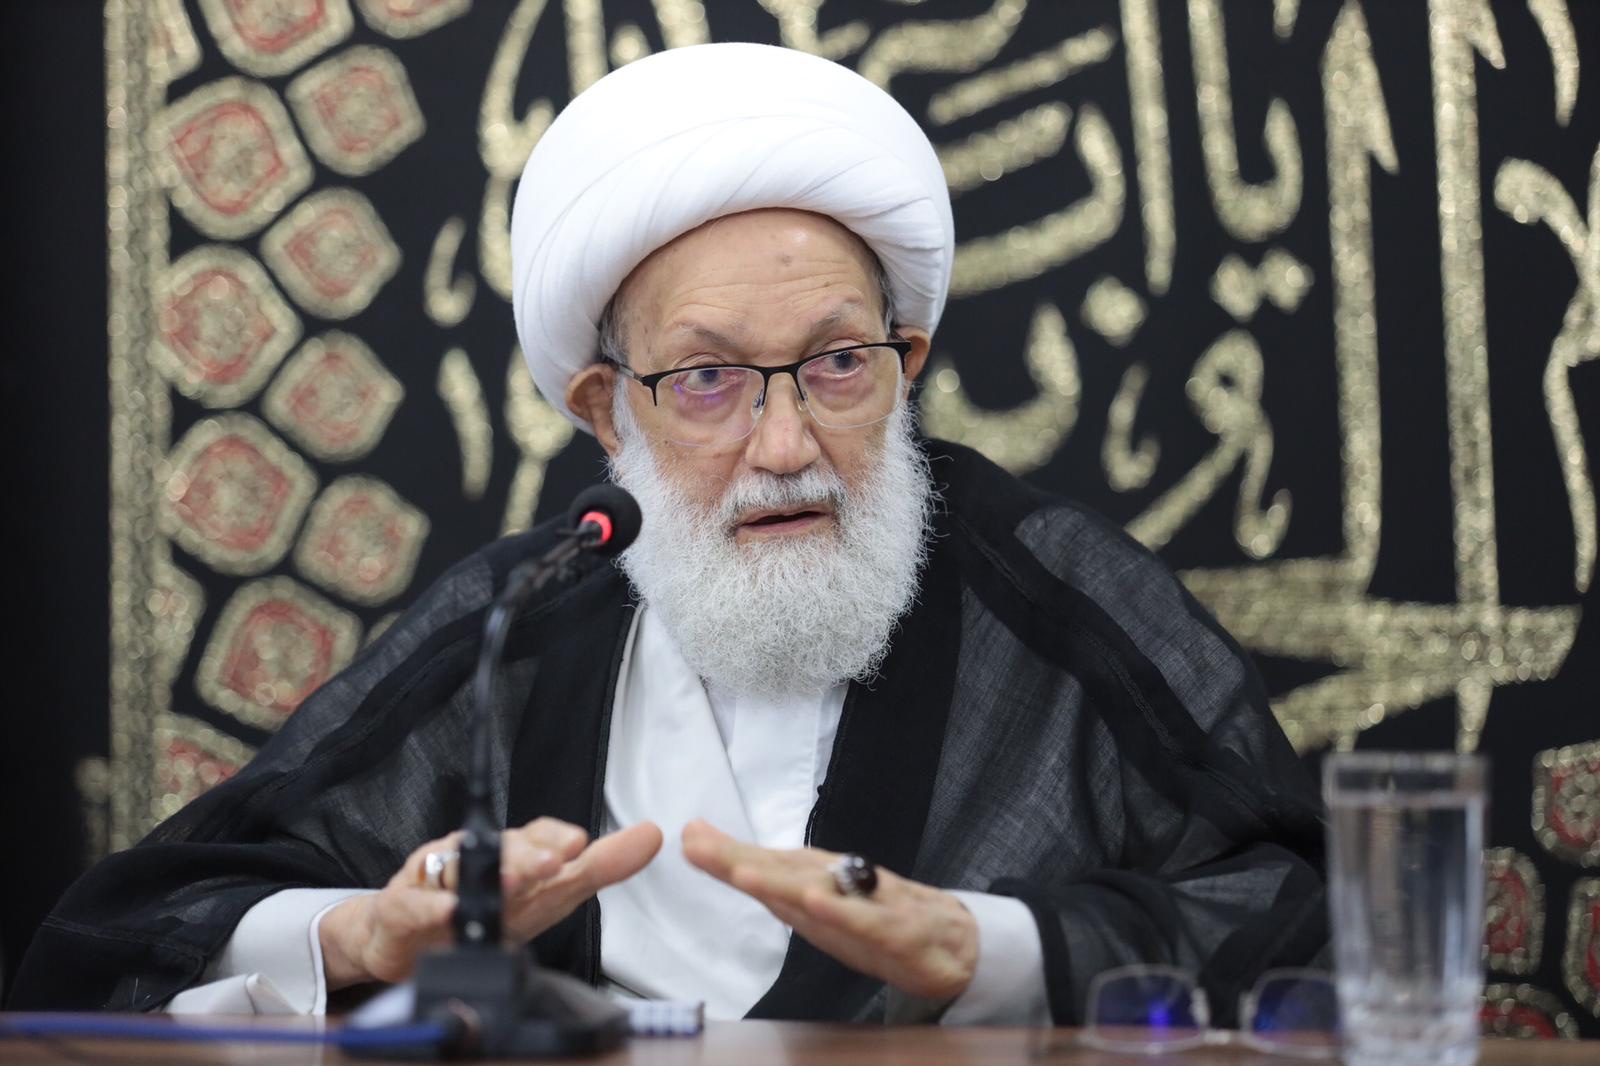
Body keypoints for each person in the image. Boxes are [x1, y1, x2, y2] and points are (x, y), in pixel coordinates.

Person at [10, 43, 1326, 1024]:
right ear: (605, 408)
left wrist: (989, 948)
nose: (784, 442)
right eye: (706, 378)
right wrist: (365, 933)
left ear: (906, 364)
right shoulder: (524, 616)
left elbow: (1308, 921)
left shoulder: (1049, 590)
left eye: (838, 364)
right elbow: (135, 924)